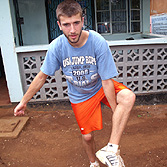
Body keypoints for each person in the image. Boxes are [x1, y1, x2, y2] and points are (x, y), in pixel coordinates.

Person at [14, 0, 136, 166]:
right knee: (87, 136)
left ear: (83, 21)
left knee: (128, 97)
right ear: (59, 25)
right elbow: (42, 76)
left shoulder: (97, 42)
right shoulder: (57, 47)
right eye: (66, 24)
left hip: (100, 86)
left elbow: (107, 80)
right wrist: (23, 101)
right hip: (80, 95)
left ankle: (111, 149)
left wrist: (116, 112)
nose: (72, 30)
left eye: (76, 23)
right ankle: (93, 162)